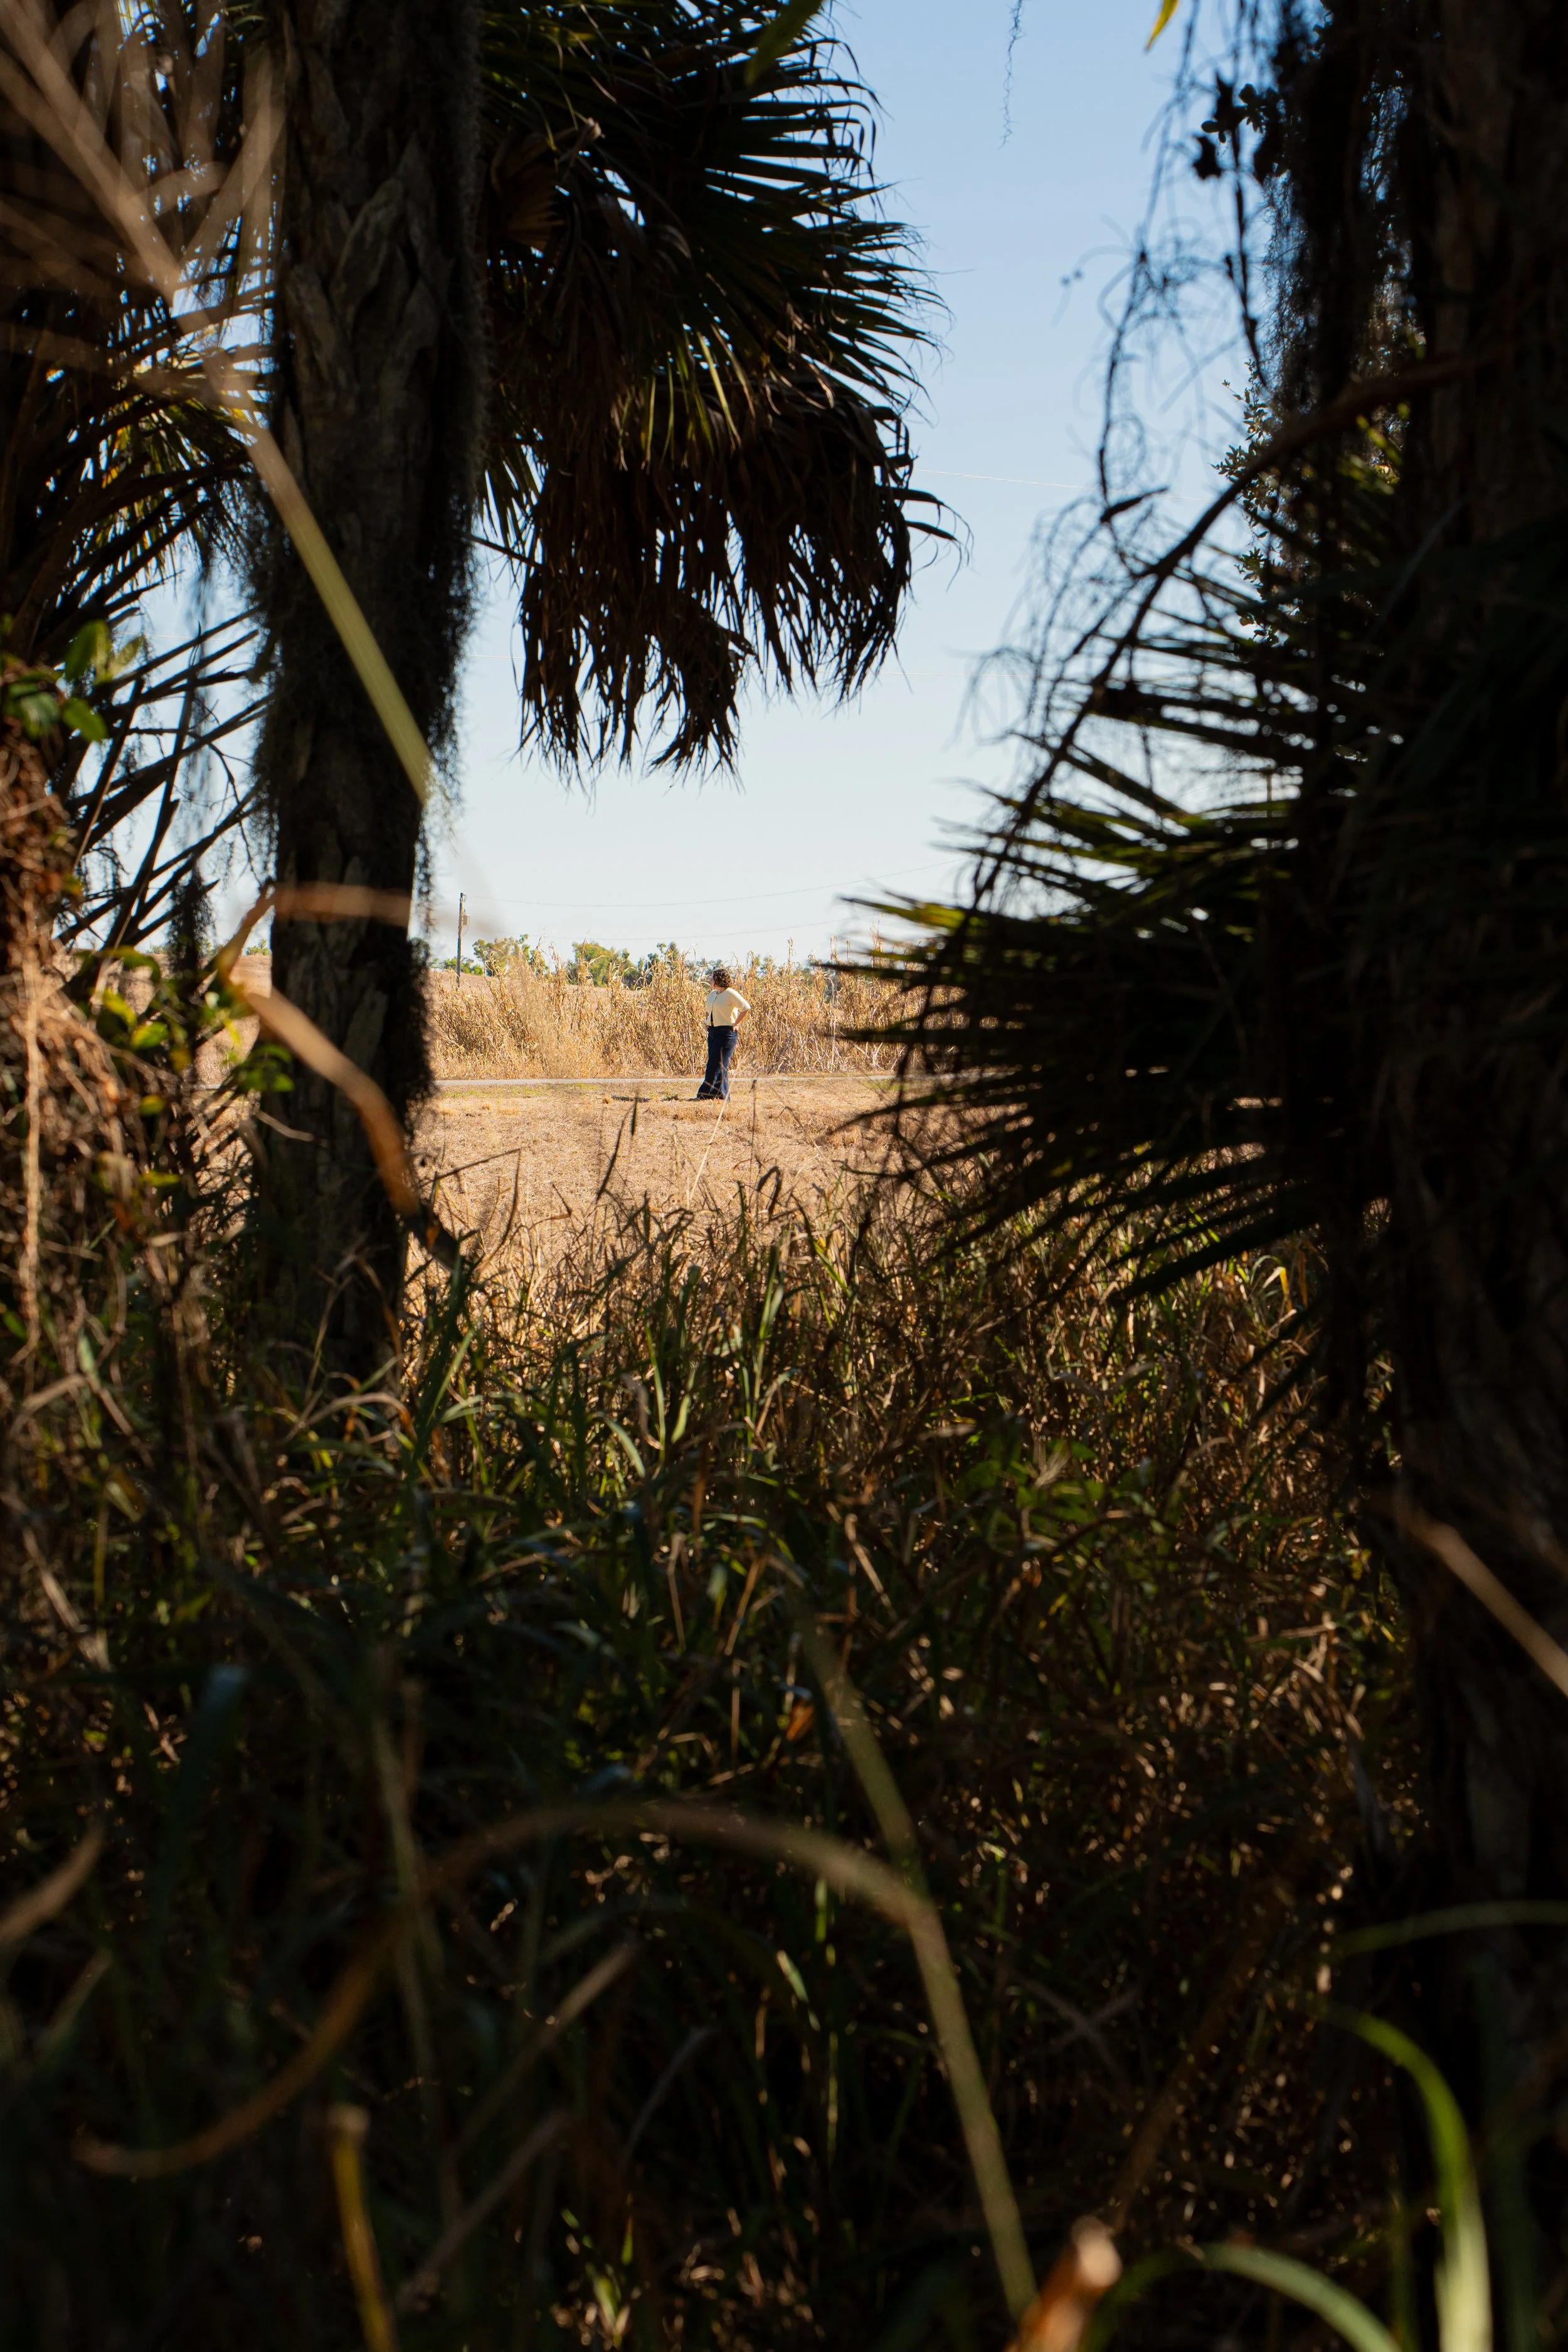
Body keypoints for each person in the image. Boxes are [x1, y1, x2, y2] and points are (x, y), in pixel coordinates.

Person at [697, 965, 751, 1099]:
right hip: (713, 1032)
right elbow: (709, 1010)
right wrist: (707, 1021)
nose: (710, 980)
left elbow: (745, 1008)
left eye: (712, 978)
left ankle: (704, 1095)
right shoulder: (713, 994)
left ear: (719, 979)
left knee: (713, 1065)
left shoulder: (730, 994)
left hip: (726, 1033)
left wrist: (736, 1023)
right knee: (720, 1066)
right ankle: (722, 1097)